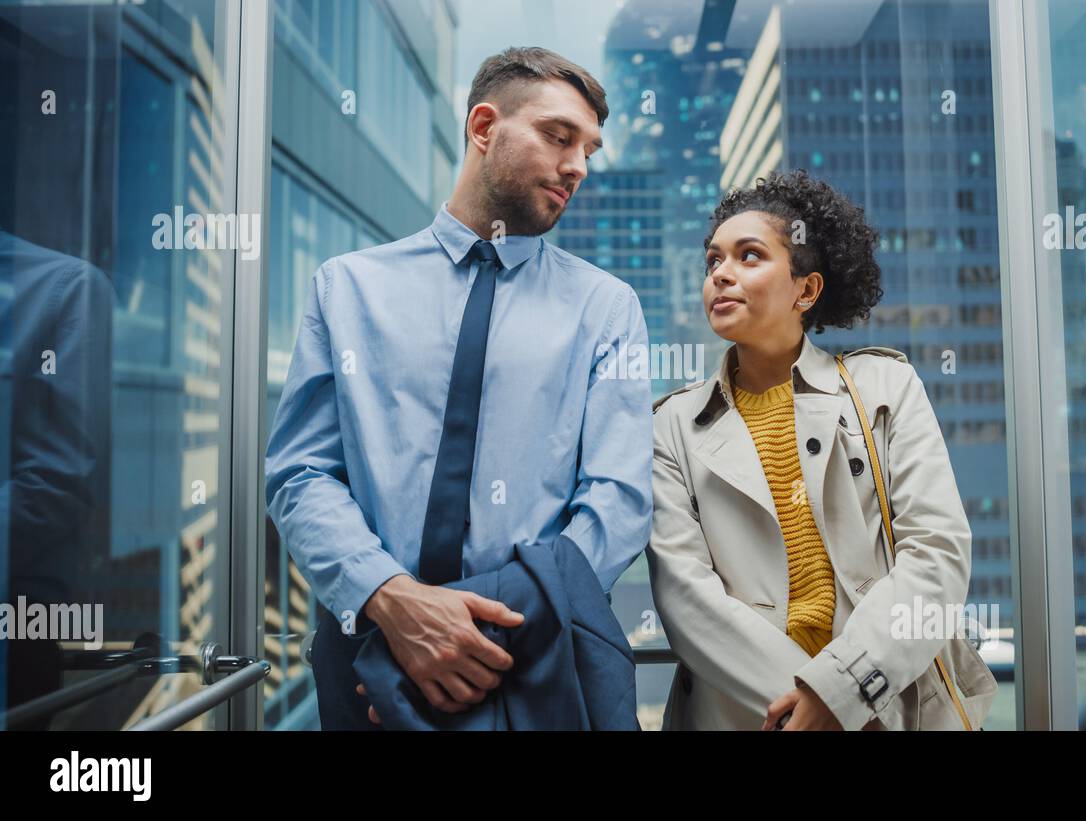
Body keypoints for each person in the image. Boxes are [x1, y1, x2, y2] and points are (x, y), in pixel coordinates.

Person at [265, 47, 652, 729]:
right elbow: (300, 475)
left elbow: (615, 503)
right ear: (482, 127)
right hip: (365, 668)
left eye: (589, 149)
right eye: (558, 136)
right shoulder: (346, 288)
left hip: (531, 668)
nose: (578, 167)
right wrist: (392, 602)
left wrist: (482, 641)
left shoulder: (606, 307)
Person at [647, 170, 997, 730]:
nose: (721, 275)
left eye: (749, 256)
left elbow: (936, 555)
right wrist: (809, 707)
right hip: (749, 716)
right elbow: (686, 600)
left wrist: (844, 692)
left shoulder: (885, 386)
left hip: (885, 705)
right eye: (713, 261)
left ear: (806, 291)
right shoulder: (672, 425)